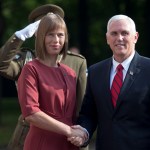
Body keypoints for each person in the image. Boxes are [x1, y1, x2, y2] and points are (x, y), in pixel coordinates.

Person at [0, 4, 88, 150]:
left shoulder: (74, 65)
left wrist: (81, 140)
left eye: (59, 33)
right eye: (48, 31)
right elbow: (2, 65)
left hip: (70, 140)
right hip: (35, 136)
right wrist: (19, 36)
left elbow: (79, 108)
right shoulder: (28, 62)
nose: (56, 40)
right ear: (37, 32)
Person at [68, 14, 150, 150]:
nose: (119, 38)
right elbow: (89, 113)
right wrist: (84, 133)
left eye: (125, 33)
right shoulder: (95, 71)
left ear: (135, 37)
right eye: (114, 33)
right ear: (107, 38)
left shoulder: (148, 69)